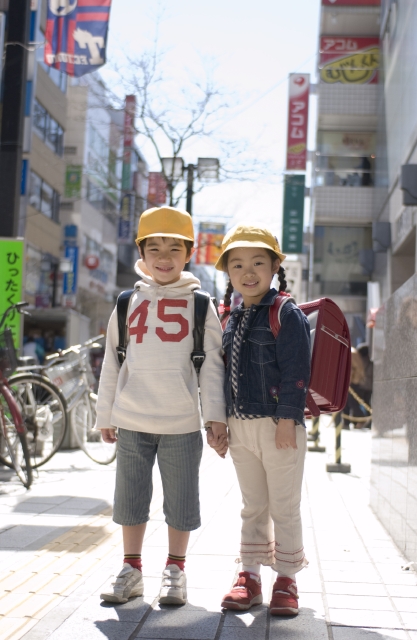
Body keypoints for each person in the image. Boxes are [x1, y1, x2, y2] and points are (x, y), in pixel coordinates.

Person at [96, 206, 227, 605]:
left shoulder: (201, 304)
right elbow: (112, 361)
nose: (164, 257)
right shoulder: (125, 301)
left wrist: (215, 418)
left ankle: (175, 570)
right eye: (155, 248)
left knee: (182, 500)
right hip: (132, 418)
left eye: (174, 247)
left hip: (182, 422)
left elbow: (213, 369)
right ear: (142, 252)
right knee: (130, 498)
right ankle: (131, 569)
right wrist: (106, 414)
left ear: (189, 252)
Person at [207, 225, 311, 616]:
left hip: (278, 427)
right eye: (237, 265)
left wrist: (288, 418)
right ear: (228, 273)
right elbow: (218, 375)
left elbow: (297, 370)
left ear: (273, 268)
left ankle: (286, 580)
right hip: (240, 428)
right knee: (253, 505)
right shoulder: (229, 315)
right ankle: (248, 575)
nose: (247, 272)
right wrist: (216, 424)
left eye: (257, 262)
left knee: (284, 506)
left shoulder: (285, 312)